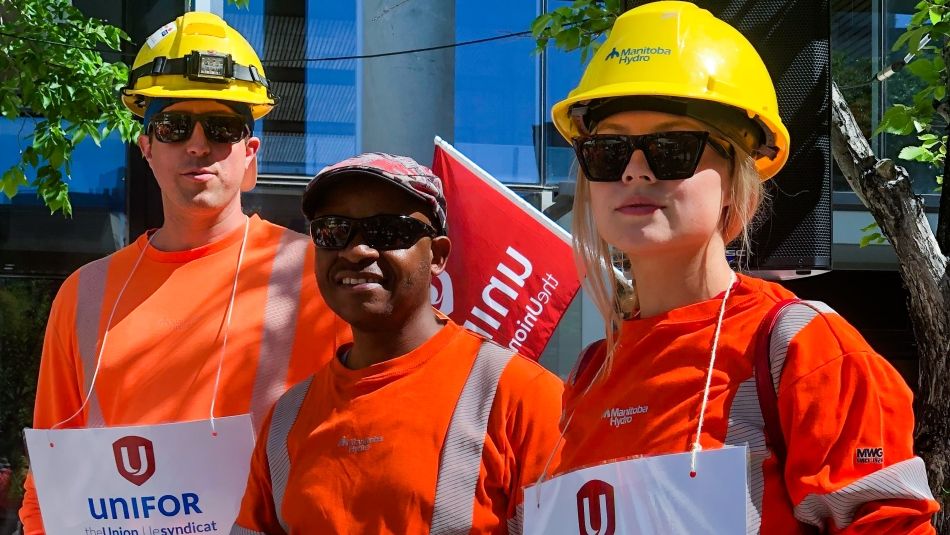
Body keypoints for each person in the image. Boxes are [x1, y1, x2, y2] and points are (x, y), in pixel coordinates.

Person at [540, 1, 939, 533]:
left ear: (735, 175)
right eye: (609, 151)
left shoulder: (803, 348)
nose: (634, 171)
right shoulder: (590, 374)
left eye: (670, 146)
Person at [19, 12, 348, 533]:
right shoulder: (83, 296)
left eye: (221, 128)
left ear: (250, 153)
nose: (198, 145)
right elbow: (51, 482)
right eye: (174, 126)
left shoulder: (320, 279)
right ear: (146, 146)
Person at [231, 153, 564, 534]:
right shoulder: (287, 419)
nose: (356, 251)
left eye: (388, 231)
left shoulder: (522, 398)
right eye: (333, 230)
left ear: (438, 255)